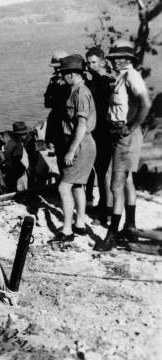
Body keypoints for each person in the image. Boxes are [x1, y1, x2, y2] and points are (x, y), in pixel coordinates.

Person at [95, 40, 151, 251]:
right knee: (127, 182)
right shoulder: (123, 76)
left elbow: (145, 103)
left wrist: (131, 126)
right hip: (120, 135)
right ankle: (130, 227)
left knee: (115, 186)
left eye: (120, 57)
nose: (115, 60)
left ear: (128, 59)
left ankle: (112, 236)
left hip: (126, 135)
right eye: (113, 57)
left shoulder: (132, 76)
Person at [50, 54, 97, 243]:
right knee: (77, 186)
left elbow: (81, 125)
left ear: (71, 74)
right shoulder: (75, 91)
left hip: (80, 144)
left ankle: (67, 231)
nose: (62, 77)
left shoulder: (80, 94)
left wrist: (71, 150)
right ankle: (79, 225)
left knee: (64, 186)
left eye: (63, 73)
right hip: (81, 143)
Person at [85, 47, 115, 226]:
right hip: (97, 131)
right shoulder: (96, 80)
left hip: (105, 132)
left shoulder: (107, 81)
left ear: (102, 62)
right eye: (88, 63)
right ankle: (103, 205)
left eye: (93, 62)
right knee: (100, 170)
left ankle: (107, 212)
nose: (90, 66)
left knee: (105, 173)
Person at [44, 50, 71, 174]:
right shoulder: (53, 82)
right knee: (60, 155)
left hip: (67, 121)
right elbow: (47, 103)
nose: (57, 71)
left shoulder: (71, 82)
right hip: (57, 121)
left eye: (58, 68)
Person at [1, 121, 31, 192]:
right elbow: (16, 160)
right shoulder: (18, 145)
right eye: (25, 133)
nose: (27, 134)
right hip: (15, 172)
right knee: (19, 189)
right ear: (20, 134)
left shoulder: (9, 142)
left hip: (9, 170)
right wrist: (23, 168)